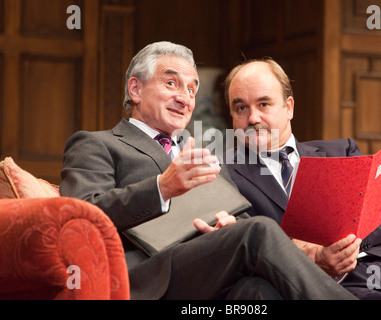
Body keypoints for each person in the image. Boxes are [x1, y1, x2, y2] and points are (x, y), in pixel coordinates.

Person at [59, 41, 356, 300]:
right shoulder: (97, 144)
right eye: (171, 83)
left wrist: (228, 225)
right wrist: (162, 188)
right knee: (259, 230)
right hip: (150, 277)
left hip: (215, 269)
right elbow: (80, 217)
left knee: (258, 293)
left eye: (191, 89)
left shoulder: (203, 151)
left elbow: (239, 216)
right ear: (135, 89)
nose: (185, 98)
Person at [224, 58, 381, 300]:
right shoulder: (226, 174)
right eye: (241, 108)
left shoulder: (341, 151)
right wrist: (317, 256)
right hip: (327, 286)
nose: (253, 118)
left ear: (289, 107)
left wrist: (344, 247)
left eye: (264, 104)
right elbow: (252, 245)